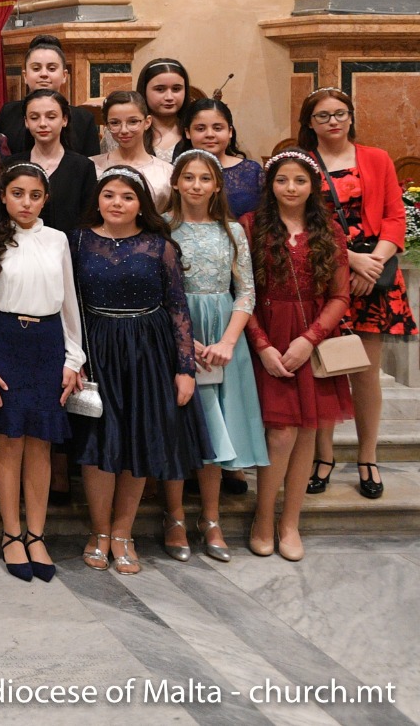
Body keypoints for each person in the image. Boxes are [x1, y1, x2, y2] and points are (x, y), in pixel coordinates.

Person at [73, 167, 208, 577]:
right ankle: (98, 531)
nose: (117, 203)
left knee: (136, 439)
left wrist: (185, 367)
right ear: (97, 199)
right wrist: (72, 356)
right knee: (99, 442)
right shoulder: (77, 241)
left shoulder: (159, 246)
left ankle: (122, 531)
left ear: (141, 204)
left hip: (148, 348)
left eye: (127, 197)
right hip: (95, 345)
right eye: (110, 195)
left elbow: (178, 308)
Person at [0, 162, 85, 582]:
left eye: (35, 195)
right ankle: (12, 533)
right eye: (18, 193)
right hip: (5, 342)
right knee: (9, 441)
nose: (26, 202)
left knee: (41, 444)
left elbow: (70, 302)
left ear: (45, 199)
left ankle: (37, 533)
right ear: (3, 195)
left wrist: (74, 358)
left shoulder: (57, 241)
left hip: (48, 344)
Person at [297, 88, 412, 501]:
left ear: (350, 117)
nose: (333, 121)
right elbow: (299, 221)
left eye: (340, 114)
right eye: (323, 115)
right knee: (325, 369)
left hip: (373, 276)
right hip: (325, 273)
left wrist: (374, 263)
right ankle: (323, 457)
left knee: (365, 373)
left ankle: (367, 456)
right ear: (310, 122)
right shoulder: (302, 164)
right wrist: (348, 261)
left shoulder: (377, 158)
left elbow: (395, 217)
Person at [244, 150, 353, 561]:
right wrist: (262, 344)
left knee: (307, 430)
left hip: (311, 338)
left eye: (299, 181)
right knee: (281, 432)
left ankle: (290, 522)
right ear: (270, 186)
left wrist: (309, 339)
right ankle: (261, 517)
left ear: (313, 186)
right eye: (282, 180)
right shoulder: (251, 226)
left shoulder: (329, 232)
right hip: (267, 335)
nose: (291, 188)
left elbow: (340, 296)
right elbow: (244, 291)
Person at [161, 150, 268, 562]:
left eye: (205, 179)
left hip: (222, 338)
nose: (196, 186)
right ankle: (173, 517)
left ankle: (210, 517)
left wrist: (226, 341)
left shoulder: (232, 230)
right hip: (178, 334)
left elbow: (246, 291)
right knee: (179, 428)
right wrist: (186, 344)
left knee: (214, 432)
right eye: (188, 178)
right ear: (175, 182)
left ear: (217, 185)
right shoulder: (164, 228)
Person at [0, 34, 100, 156]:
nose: (44, 74)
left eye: (52, 68)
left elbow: (91, 166)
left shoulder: (84, 119)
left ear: (64, 75)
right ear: (25, 76)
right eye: (36, 68)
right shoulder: (8, 113)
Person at [8, 89, 97, 232]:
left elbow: (89, 219)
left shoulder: (83, 167)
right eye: (34, 117)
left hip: (67, 250)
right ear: (26, 122)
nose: (42, 123)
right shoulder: (10, 165)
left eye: (51, 116)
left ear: (64, 120)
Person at [91, 90, 174, 211]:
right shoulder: (91, 166)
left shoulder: (167, 172)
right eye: (115, 123)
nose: (124, 130)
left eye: (133, 122)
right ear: (107, 126)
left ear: (147, 122)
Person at [180, 98, 263, 217]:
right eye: (200, 129)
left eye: (217, 128)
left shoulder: (251, 171)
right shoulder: (178, 171)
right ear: (188, 132)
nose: (209, 134)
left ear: (230, 131)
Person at [132, 58, 199, 162]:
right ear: (144, 91)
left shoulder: (197, 129)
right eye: (160, 89)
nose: (169, 97)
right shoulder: (127, 131)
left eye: (176, 89)